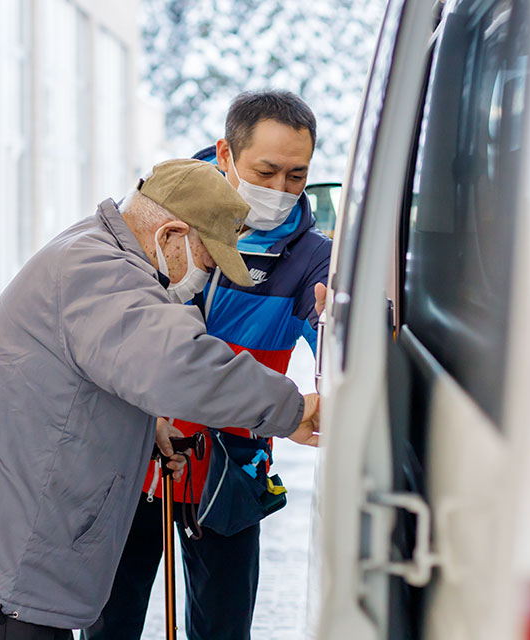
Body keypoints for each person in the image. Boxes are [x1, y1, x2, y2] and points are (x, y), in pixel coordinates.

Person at [0, 158, 321, 640]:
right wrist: (293, 410)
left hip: (1, 549)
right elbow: (180, 364)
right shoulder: (104, 274)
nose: (203, 281)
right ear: (171, 235)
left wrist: (149, 430)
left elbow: (83, 382)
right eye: (207, 263)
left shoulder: (92, 248)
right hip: (8, 570)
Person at [86, 91, 331, 640]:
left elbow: (335, 353)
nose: (280, 190)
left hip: (230, 471)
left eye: (297, 175)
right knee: (106, 625)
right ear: (225, 152)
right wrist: (144, 416)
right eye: (265, 171)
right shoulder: (162, 214)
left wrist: (342, 323)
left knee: (222, 630)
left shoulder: (311, 257)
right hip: (134, 463)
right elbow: (110, 340)